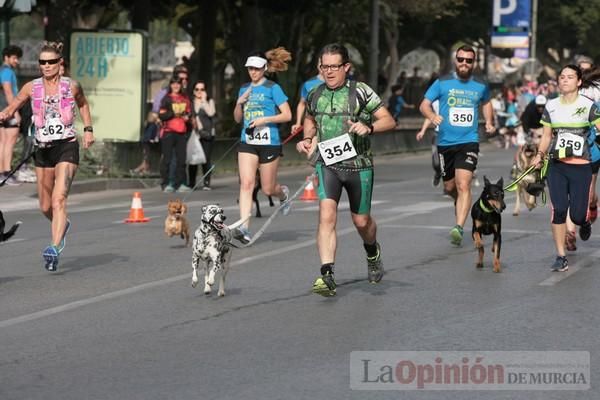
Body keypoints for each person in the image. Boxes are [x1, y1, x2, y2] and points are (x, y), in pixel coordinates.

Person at [296, 43, 395, 297]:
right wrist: (307, 139)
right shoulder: (314, 94)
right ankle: (327, 274)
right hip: (327, 165)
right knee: (326, 216)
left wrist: (368, 127)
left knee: (361, 221)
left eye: (334, 67)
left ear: (346, 67)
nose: (329, 72)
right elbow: (310, 119)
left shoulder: (361, 92)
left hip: (359, 166)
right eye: (324, 66)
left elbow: (388, 120)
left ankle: (372, 250)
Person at [0, 41, 95, 271]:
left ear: (59, 63)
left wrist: (88, 129)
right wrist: (5, 113)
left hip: (66, 147)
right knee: (44, 206)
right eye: (42, 62)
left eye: (51, 61)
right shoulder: (32, 88)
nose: (46, 65)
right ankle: (62, 225)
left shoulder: (71, 86)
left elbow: (82, 105)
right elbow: (14, 105)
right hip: (42, 150)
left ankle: (53, 247)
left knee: (58, 199)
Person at [419, 44, 495, 246]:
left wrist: (488, 121)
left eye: (469, 60)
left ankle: (458, 227)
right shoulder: (442, 82)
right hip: (445, 143)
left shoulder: (481, 84)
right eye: (461, 59)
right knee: (450, 186)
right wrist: (432, 116)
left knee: (464, 184)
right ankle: (458, 201)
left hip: (468, 141)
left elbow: (486, 103)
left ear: (474, 62)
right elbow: (424, 104)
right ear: (456, 60)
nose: (464, 63)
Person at [530, 64, 600, 272]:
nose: (565, 80)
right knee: (559, 209)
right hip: (556, 165)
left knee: (577, 215)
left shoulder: (589, 105)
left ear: (579, 82)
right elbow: (546, 136)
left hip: (581, 166)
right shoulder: (551, 106)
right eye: (562, 77)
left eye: (570, 77)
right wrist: (539, 155)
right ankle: (561, 256)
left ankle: (584, 221)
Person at [233, 47, 293, 244]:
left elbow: (287, 115)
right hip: (247, 142)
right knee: (247, 184)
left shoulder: (272, 88)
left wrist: (264, 120)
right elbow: (237, 119)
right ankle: (243, 227)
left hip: (269, 142)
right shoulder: (244, 88)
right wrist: (239, 103)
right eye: (250, 68)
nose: (253, 72)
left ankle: (282, 194)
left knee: (268, 189)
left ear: (265, 68)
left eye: (257, 68)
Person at [158, 76, 192, 193]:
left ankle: (181, 183)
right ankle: (167, 183)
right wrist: (173, 113)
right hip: (168, 132)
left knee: (181, 159)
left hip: (181, 131)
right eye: (174, 84)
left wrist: (187, 117)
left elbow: (188, 113)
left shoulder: (185, 98)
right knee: (168, 159)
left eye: (178, 84)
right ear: (171, 85)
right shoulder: (166, 99)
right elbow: (161, 115)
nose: (176, 86)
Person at [0, 45, 23, 185]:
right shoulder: (7, 72)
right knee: (9, 142)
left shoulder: (2, 70)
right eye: (14, 58)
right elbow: (8, 92)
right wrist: (15, 112)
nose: (17, 61)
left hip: (1, 110)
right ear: (6, 57)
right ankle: (7, 172)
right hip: (8, 110)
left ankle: (2, 174)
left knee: (2, 142)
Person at [188, 80, 216, 190]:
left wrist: (204, 101)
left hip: (207, 134)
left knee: (206, 158)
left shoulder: (209, 101)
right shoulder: (191, 102)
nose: (199, 91)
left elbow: (211, 113)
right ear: (194, 91)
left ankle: (206, 182)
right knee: (193, 158)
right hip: (195, 134)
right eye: (197, 89)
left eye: (202, 89)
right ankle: (191, 182)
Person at [291, 65, 324, 136]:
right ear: (318, 65)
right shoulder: (308, 84)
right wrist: (298, 123)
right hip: (311, 124)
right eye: (320, 63)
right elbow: (302, 104)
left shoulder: (338, 84)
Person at [416, 99, 441, 187]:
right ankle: (438, 173)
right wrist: (422, 131)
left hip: (454, 136)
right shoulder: (435, 101)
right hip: (439, 134)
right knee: (437, 163)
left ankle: (451, 186)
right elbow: (430, 117)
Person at [131, 111, 159, 175]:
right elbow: (149, 134)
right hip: (147, 143)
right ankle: (138, 170)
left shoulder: (151, 124)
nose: (157, 117)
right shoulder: (152, 125)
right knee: (146, 157)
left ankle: (144, 170)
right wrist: (151, 139)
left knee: (147, 157)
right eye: (156, 116)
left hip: (146, 142)